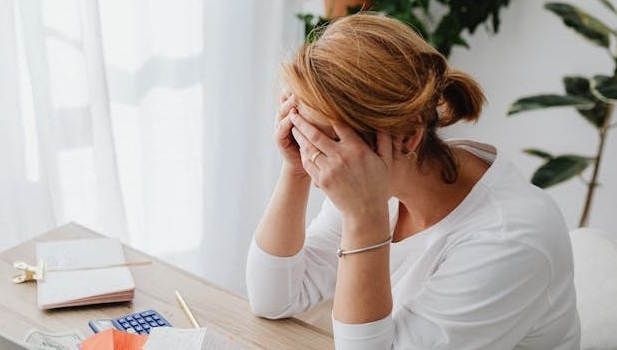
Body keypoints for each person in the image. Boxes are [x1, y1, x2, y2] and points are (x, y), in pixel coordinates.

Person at [246, 13, 580, 349]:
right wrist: (295, 172)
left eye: (325, 143)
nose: (316, 160)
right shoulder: (385, 175)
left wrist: (364, 217)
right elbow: (272, 298)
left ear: (406, 138)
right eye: (303, 135)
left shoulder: (511, 238)